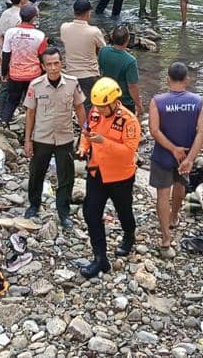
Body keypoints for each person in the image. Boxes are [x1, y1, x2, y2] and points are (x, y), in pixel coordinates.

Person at [78, 77, 142, 278]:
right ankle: (100, 258)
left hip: (120, 176)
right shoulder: (94, 112)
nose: (99, 109)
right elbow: (86, 132)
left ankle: (129, 235)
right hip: (96, 172)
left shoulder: (129, 121)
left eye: (103, 106)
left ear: (114, 102)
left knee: (124, 211)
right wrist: (83, 147)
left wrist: (103, 141)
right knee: (90, 213)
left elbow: (129, 151)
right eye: (97, 106)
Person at [23, 47, 87, 229]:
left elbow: (80, 108)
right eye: (49, 64)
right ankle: (34, 205)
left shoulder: (72, 83)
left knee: (66, 177)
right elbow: (30, 113)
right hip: (41, 137)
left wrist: (85, 134)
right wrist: (27, 140)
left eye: (56, 63)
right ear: (43, 66)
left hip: (64, 138)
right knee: (36, 174)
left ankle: (63, 212)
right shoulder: (35, 85)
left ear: (61, 63)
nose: (53, 68)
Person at [148, 62, 203, 250]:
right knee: (180, 185)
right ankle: (174, 217)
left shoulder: (157, 101)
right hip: (185, 157)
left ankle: (166, 237)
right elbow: (202, 132)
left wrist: (173, 148)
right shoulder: (198, 101)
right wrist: (189, 158)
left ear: (167, 79)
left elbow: (154, 130)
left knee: (162, 194)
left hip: (162, 155)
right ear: (187, 80)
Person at [0, 4, 48, 124]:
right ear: (34, 18)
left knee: (12, 100)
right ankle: (32, 125)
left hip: (15, 74)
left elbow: (6, 54)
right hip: (34, 75)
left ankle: (3, 122)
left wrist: (4, 73)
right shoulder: (40, 35)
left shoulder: (10, 33)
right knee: (32, 102)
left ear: (20, 15)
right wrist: (44, 74)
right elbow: (43, 57)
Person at [61, 0, 107, 110]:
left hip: (70, 74)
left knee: (76, 106)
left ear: (74, 12)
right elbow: (104, 50)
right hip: (89, 74)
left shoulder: (64, 27)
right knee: (89, 107)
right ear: (88, 13)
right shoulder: (94, 31)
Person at [98, 25, 142, 119]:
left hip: (107, 97)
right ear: (128, 40)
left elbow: (100, 70)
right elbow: (132, 86)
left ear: (112, 37)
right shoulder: (130, 61)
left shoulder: (103, 51)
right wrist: (139, 105)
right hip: (124, 101)